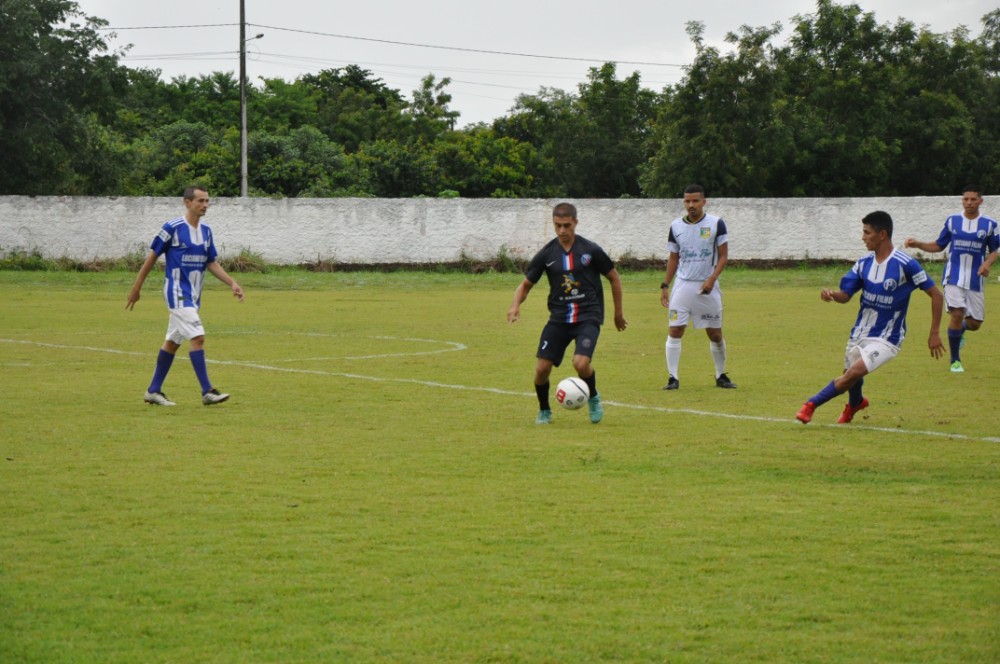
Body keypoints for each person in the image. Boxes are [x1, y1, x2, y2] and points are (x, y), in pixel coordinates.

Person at [796, 211, 944, 425]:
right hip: (860, 332)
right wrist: (832, 295)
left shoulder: (906, 264)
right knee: (850, 376)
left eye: (867, 232)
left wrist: (934, 333)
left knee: (852, 373)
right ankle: (855, 403)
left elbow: (936, 295)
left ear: (882, 234)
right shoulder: (863, 263)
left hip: (888, 337)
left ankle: (811, 405)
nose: (863, 237)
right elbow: (846, 295)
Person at [507, 202, 627, 425]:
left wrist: (618, 314)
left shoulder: (590, 250)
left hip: (588, 316)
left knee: (581, 363)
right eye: (558, 225)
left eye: (567, 226)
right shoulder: (547, 253)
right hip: (559, 319)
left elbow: (614, 278)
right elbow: (525, 285)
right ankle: (544, 410)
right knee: (542, 368)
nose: (562, 231)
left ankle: (593, 397)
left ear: (575, 223)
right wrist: (515, 305)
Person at [126, 186, 245, 406]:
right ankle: (207, 391)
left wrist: (232, 283)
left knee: (172, 342)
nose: (205, 205)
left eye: (207, 201)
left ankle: (153, 391)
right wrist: (137, 287)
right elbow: (151, 258)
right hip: (176, 292)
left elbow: (211, 263)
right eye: (201, 201)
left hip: (193, 295)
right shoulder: (172, 228)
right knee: (198, 337)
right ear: (187, 202)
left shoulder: (207, 231)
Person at [904, 185, 998, 373]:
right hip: (953, 275)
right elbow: (939, 245)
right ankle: (955, 361)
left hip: (975, 278)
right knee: (957, 313)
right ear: (962, 200)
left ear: (981, 201)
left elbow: (995, 250)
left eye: (973, 199)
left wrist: (987, 264)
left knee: (975, 324)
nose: (969, 203)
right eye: (966, 199)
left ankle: (960, 330)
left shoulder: (990, 225)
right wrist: (918, 243)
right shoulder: (953, 221)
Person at [659, 184, 736, 391]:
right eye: (687, 201)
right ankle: (673, 377)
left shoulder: (716, 224)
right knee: (675, 329)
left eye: (695, 201)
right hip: (683, 286)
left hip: (707, 286)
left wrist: (711, 279)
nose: (691, 205)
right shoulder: (676, 226)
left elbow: (723, 256)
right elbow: (674, 257)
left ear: (704, 202)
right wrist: (665, 284)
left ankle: (720, 375)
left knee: (715, 334)